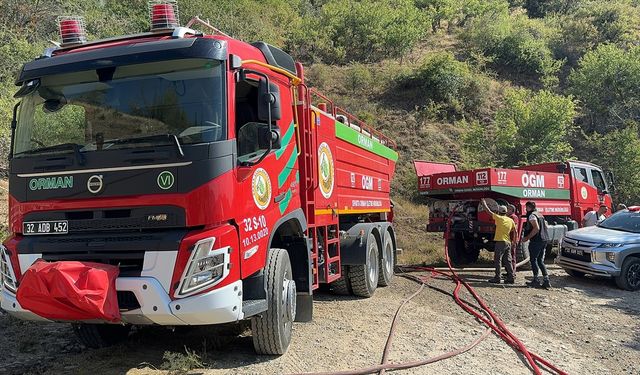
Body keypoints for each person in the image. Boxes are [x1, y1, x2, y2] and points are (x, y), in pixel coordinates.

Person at [480, 199, 516, 284]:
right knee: (508, 260)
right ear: (506, 212)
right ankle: (511, 277)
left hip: (500, 242)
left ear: (499, 212)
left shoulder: (499, 218)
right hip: (508, 242)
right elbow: (515, 231)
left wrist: (484, 203)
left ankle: (497, 278)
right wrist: (514, 241)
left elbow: (488, 211)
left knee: (498, 260)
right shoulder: (510, 220)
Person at [521, 201, 550, 289]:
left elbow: (536, 228)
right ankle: (546, 280)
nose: (526, 209)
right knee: (540, 260)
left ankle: (536, 280)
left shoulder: (532, 216)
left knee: (533, 260)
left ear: (529, 207)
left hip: (536, 241)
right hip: (544, 240)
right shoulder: (540, 214)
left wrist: (527, 237)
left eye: (526, 208)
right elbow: (546, 226)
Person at [507, 204, 519, 275]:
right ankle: (509, 271)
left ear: (512, 210)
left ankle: (512, 272)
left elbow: (514, 229)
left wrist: (514, 241)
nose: (507, 210)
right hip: (509, 239)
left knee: (512, 256)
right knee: (508, 256)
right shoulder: (508, 217)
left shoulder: (513, 217)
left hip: (512, 239)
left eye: (509, 209)